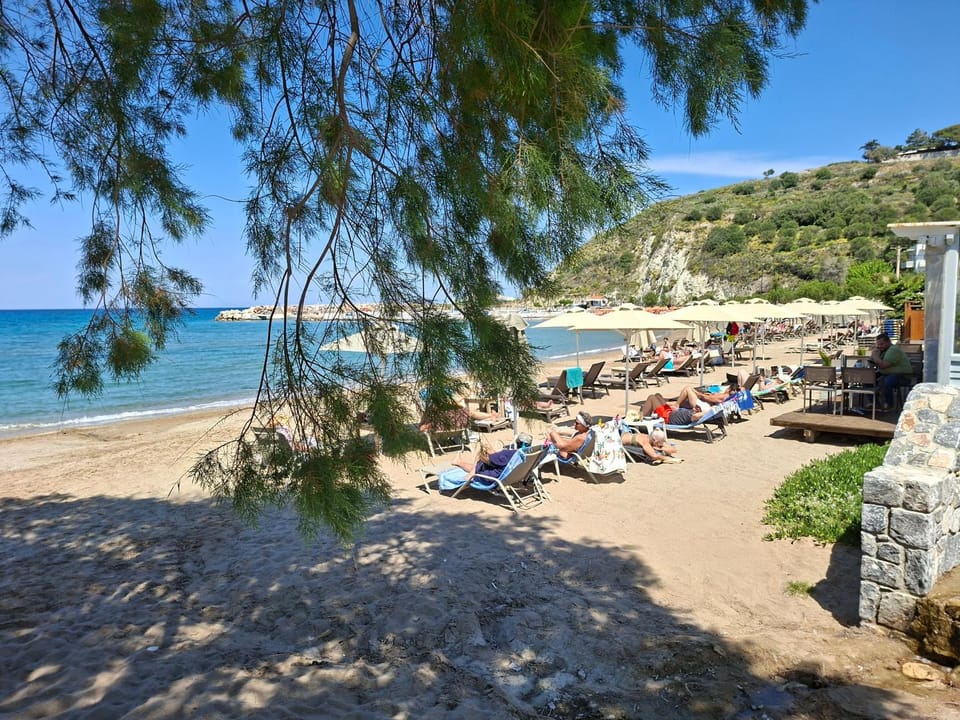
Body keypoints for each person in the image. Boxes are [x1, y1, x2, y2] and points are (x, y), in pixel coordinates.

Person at [869, 332, 913, 410]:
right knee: (868, 379)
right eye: (878, 344)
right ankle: (874, 403)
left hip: (903, 375)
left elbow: (883, 365)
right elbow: (874, 364)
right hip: (887, 373)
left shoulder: (893, 350)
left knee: (886, 382)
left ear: (888, 342)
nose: (879, 346)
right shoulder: (883, 351)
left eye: (882, 344)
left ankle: (889, 404)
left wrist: (875, 356)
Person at [639, 392, 705, 426]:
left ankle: (642, 418)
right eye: (696, 406)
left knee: (651, 397)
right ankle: (646, 410)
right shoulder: (691, 411)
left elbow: (696, 416)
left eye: (697, 408)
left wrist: (706, 411)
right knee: (657, 395)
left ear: (699, 411)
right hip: (669, 412)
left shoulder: (693, 415)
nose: (695, 407)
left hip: (666, 417)